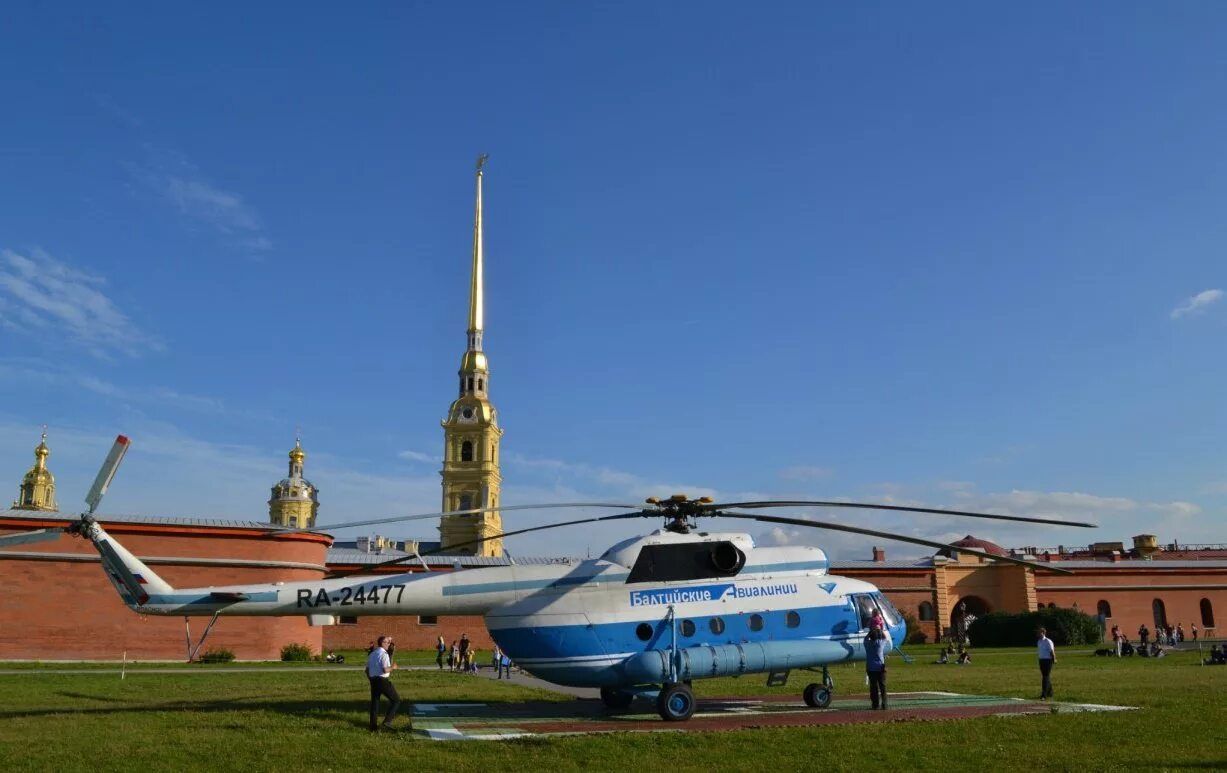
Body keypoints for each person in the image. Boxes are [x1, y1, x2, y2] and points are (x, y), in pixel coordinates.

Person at [365, 635, 401, 732]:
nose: (389, 644)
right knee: (396, 700)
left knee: (375, 703)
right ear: (383, 643)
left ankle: (373, 727)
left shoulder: (372, 654)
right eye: (387, 642)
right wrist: (393, 667)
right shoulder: (384, 654)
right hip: (382, 681)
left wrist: (371, 678)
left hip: (373, 680)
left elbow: (366, 670)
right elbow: (385, 669)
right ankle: (387, 721)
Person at [864, 624, 889, 710]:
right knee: (883, 686)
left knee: (873, 687)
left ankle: (875, 704)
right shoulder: (880, 644)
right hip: (880, 668)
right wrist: (880, 630)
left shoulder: (867, 644)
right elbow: (885, 638)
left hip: (871, 668)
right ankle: (884, 704)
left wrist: (870, 632)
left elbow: (865, 639)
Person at [1037, 628, 1056, 700]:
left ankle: (1044, 694)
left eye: (1039, 633)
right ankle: (1050, 692)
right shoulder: (1039, 641)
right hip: (1041, 660)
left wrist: (1054, 659)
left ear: (1043, 633)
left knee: (1045, 677)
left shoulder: (1048, 641)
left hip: (1048, 660)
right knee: (1046, 676)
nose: (1038, 634)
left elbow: (1052, 651)